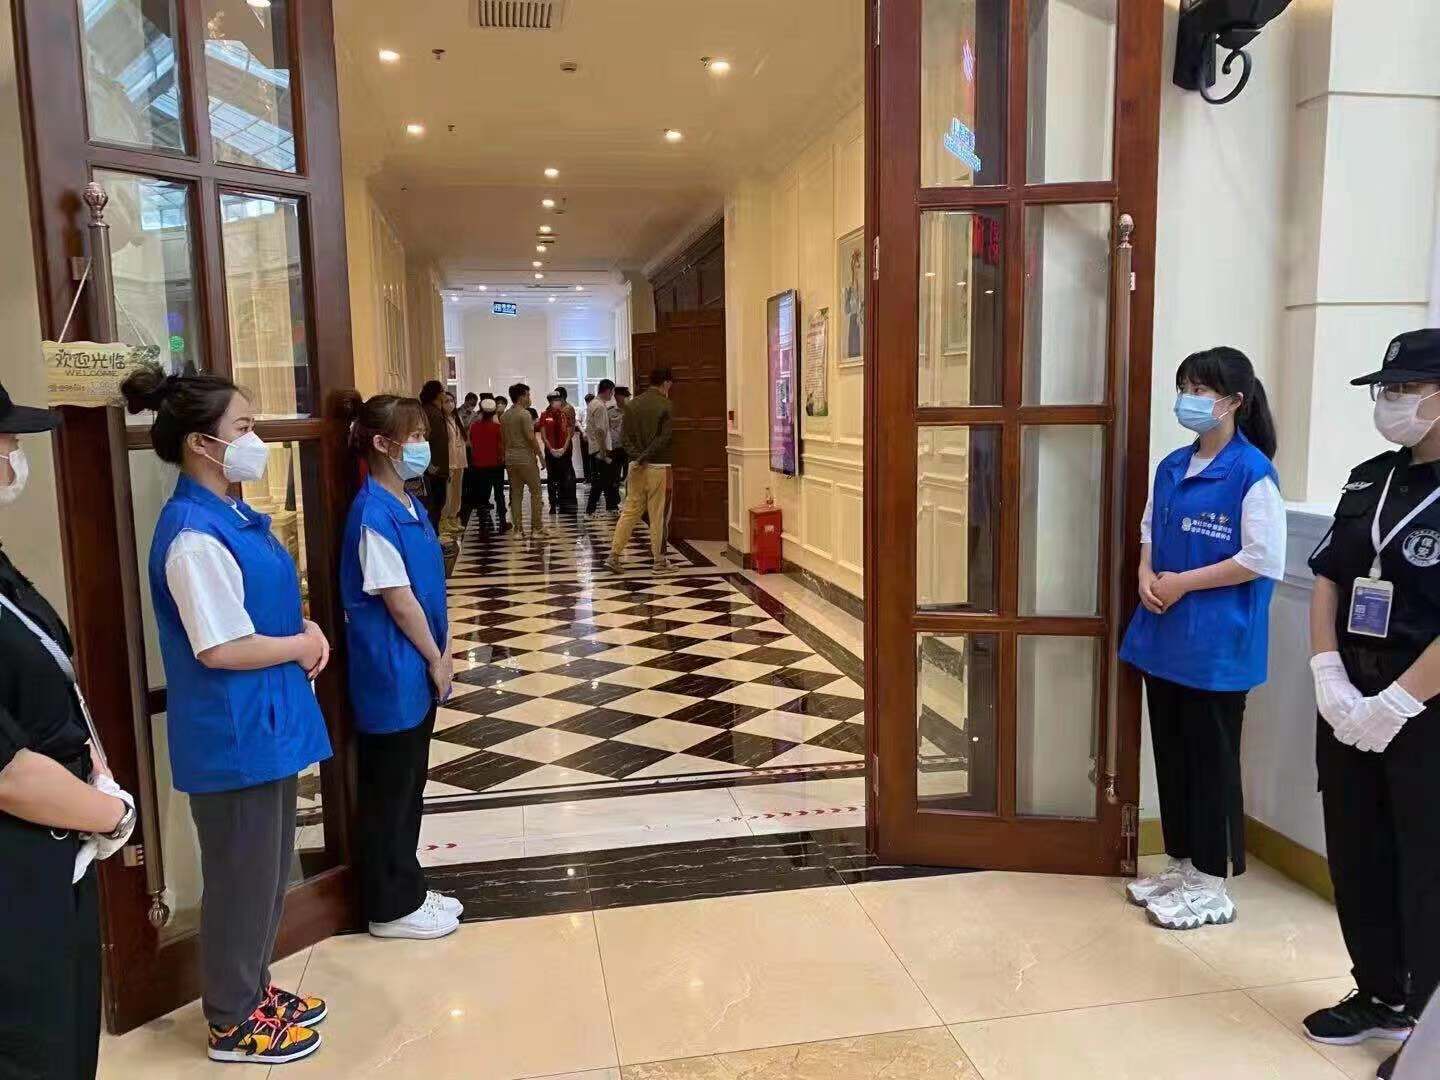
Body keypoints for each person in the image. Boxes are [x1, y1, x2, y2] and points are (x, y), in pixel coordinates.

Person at [121, 364, 331, 1066]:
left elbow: (257, 607)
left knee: (267, 873)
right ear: (201, 444)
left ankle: (254, 988)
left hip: (266, 721)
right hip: (232, 732)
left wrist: (303, 628)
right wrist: (299, 644)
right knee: (241, 878)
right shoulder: (191, 533)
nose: (254, 439)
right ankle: (232, 1020)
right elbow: (219, 646)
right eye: (242, 427)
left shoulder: (232, 515)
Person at [1304, 329, 1440, 1079]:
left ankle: (1431, 1033)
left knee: (1428, 865)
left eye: (1406, 389)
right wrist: (1327, 671)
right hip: (1352, 695)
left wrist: (1399, 702)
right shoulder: (1371, 479)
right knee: (1357, 848)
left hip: (1426, 707)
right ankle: (1380, 993)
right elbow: (1329, 576)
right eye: (1386, 389)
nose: (1390, 402)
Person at [1117, 346, 1284, 931]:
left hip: (1216, 646)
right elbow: (1149, 528)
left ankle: (1213, 882)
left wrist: (1183, 582)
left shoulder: (1252, 472)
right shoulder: (1171, 466)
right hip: (1165, 636)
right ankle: (1181, 865)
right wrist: (1145, 573)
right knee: (1173, 753)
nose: (1188, 399)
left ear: (1233, 401)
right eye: (1184, 387)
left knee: (1212, 760)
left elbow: (1261, 558)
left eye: (1200, 390)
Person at [0, 382, 135, 1080]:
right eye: (5, 442)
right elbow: (9, 774)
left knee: (69, 1040)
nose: (13, 456)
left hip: (59, 852)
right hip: (18, 871)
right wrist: (114, 815)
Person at [340, 394, 461, 942]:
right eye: (413, 436)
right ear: (381, 444)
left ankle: (408, 886)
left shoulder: (407, 503)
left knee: (411, 784)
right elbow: (399, 599)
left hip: (420, 660)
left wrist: (446, 647)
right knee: (390, 790)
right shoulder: (373, 514)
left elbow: (431, 589)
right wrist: (436, 656)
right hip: (393, 669)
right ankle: (389, 907)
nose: (421, 445)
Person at [606, 368, 676, 574]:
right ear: (666, 383)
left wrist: (637, 457)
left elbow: (624, 437)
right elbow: (664, 438)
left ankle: (614, 556)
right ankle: (659, 562)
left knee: (630, 511)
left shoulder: (632, 405)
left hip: (635, 467)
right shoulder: (666, 404)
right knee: (658, 515)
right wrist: (646, 456)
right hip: (659, 466)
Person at [501, 383, 546, 540]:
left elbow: (503, 440)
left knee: (516, 494)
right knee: (536, 492)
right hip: (525, 458)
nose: (529, 398)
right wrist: (541, 456)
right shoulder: (525, 414)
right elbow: (531, 438)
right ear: (521, 397)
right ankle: (536, 528)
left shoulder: (504, 416)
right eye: (528, 395)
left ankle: (518, 530)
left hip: (510, 458)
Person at [468, 397, 507, 532]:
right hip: (496, 465)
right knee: (499, 493)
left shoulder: (474, 427)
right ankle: (502, 521)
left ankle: (482, 523)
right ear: (494, 412)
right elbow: (501, 446)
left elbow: (471, 445)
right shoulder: (497, 427)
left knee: (482, 494)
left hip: (479, 465)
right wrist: (502, 459)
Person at [418, 380, 450, 531]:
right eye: (442, 391)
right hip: (434, 468)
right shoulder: (432, 413)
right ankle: (433, 537)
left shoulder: (433, 411)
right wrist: (431, 465)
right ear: (437, 394)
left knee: (436, 505)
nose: (444, 394)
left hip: (436, 466)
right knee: (435, 505)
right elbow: (429, 441)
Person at [586, 380, 619, 515]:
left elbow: (602, 426)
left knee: (607, 479)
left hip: (597, 448)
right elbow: (600, 431)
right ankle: (590, 510)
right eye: (612, 392)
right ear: (608, 390)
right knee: (600, 482)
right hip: (600, 449)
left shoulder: (594, 403)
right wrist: (603, 453)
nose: (613, 395)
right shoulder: (599, 406)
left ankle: (611, 507)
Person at [539, 393, 576, 512]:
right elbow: (544, 435)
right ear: (550, 402)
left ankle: (562, 501)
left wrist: (564, 449)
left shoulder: (564, 414)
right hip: (550, 451)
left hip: (563, 451)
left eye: (559, 400)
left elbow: (569, 433)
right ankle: (552, 503)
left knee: (564, 477)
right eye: (556, 400)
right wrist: (551, 449)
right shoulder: (544, 415)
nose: (558, 402)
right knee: (551, 477)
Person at [439, 391, 466, 536]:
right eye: (446, 401)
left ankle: (454, 517)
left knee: (457, 491)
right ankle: (444, 520)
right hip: (448, 460)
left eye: (451, 400)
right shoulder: (441, 420)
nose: (450, 404)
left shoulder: (457, 418)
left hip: (460, 459)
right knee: (448, 492)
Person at [611, 386, 631, 490]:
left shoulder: (632, 410)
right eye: (624, 396)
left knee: (629, 474)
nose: (627, 399)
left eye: (627, 397)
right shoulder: (610, 411)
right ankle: (615, 495)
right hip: (616, 446)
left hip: (630, 447)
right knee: (615, 474)